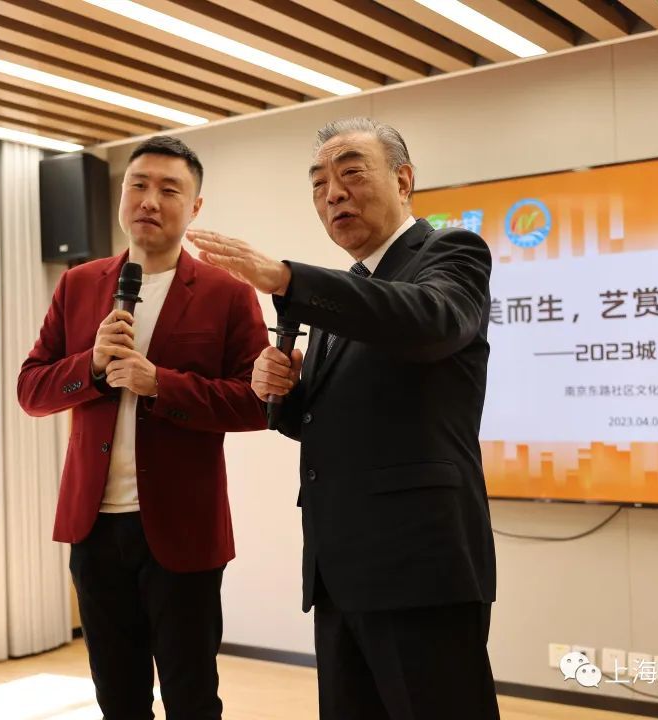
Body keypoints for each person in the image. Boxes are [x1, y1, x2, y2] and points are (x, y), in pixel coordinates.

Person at [188, 117, 500, 720]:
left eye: (352, 173)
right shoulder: (346, 290)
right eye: (318, 183)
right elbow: (329, 418)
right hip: (338, 570)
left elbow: (430, 323)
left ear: (403, 181)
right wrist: (283, 393)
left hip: (420, 567)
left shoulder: (450, 253)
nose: (333, 193)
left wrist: (285, 278)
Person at [18, 135, 268, 720]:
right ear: (122, 196)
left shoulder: (228, 294)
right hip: (94, 528)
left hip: (184, 529)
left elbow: (258, 405)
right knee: (117, 699)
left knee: (191, 698)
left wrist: (162, 384)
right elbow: (31, 390)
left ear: (195, 207)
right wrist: (91, 366)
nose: (149, 200)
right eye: (138, 185)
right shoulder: (79, 284)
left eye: (169, 190)